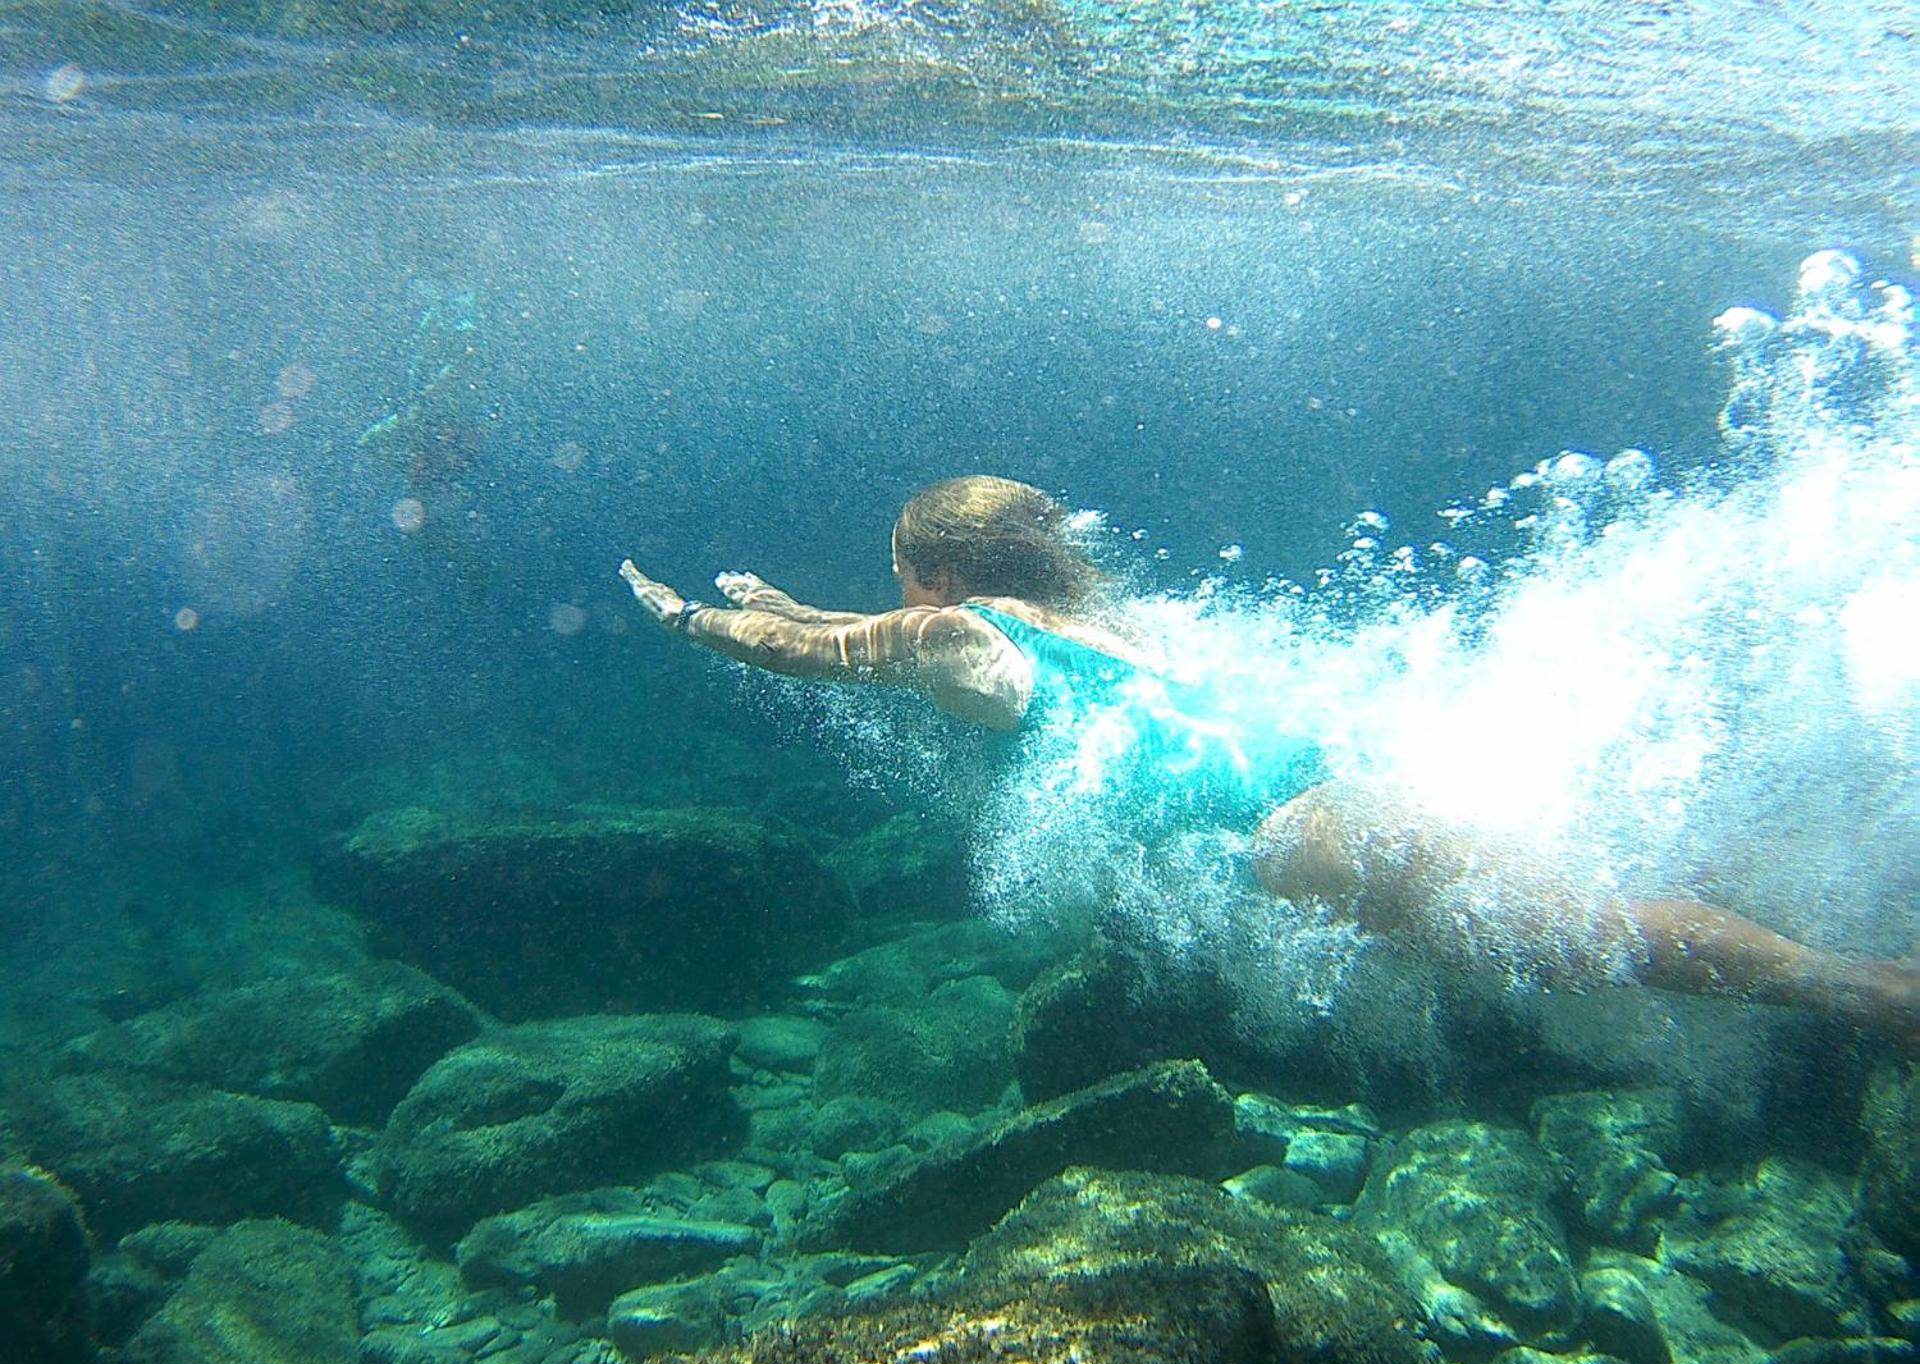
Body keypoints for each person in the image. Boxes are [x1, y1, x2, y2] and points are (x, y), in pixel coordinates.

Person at [621, 473, 1916, 1046]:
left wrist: (700, 621)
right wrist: (794, 605)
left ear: (940, 575)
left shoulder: (958, 635)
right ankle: (1855, 973)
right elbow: (863, 637)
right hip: (1316, 799)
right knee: (1577, 921)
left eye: (899, 575)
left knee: (1595, 933)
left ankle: (1874, 995)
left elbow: (847, 655)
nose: (892, 597)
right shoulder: (1082, 623)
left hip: (1308, 830)